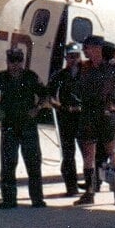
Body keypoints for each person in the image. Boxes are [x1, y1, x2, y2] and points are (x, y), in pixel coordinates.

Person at [0, 47, 48, 208]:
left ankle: (37, 199)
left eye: (18, 61)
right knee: (8, 164)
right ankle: (9, 200)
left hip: (28, 125)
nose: (15, 64)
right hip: (9, 125)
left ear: (22, 61)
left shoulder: (31, 77)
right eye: (12, 61)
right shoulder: (1, 78)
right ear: (7, 62)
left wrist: (38, 108)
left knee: (33, 163)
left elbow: (44, 94)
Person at [73, 35, 115, 206]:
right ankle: (90, 193)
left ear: (97, 48)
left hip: (105, 114)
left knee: (113, 154)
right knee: (89, 156)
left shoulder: (113, 68)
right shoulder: (83, 67)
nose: (84, 51)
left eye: (87, 47)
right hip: (89, 114)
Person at [47, 42, 84, 196]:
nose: (73, 60)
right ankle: (71, 187)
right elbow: (49, 95)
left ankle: (91, 186)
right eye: (70, 57)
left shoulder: (88, 74)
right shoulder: (60, 76)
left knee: (89, 154)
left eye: (76, 56)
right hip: (66, 118)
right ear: (66, 58)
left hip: (84, 119)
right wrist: (60, 107)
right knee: (68, 154)